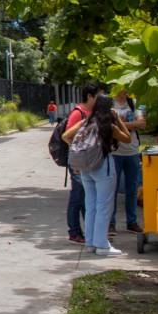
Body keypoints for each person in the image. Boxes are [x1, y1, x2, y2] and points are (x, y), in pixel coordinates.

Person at [62, 94, 131, 256]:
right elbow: (127, 138)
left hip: (85, 167)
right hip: (103, 166)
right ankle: (102, 245)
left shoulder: (85, 122)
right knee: (104, 206)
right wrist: (118, 119)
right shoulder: (108, 127)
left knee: (91, 205)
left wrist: (83, 151)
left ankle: (91, 243)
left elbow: (65, 136)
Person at [64, 83, 99, 245]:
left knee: (86, 196)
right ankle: (74, 232)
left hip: (88, 162)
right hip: (78, 162)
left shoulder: (93, 112)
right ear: (90, 96)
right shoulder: (78, 113)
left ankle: (89, 230)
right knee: (77, 197)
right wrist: (78, 153)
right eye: (98, 96)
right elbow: (67, 136)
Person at [109, 88, 145, 235]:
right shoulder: (110, 104)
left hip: (132, 151)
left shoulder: (133, 103)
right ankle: (111, 223)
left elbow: (142, 123)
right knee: (112, 189)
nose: (124, 91)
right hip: (115, 151)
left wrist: (120, 124)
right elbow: (110, 125)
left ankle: (132, 221)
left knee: (132, 188)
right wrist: (132, 124)